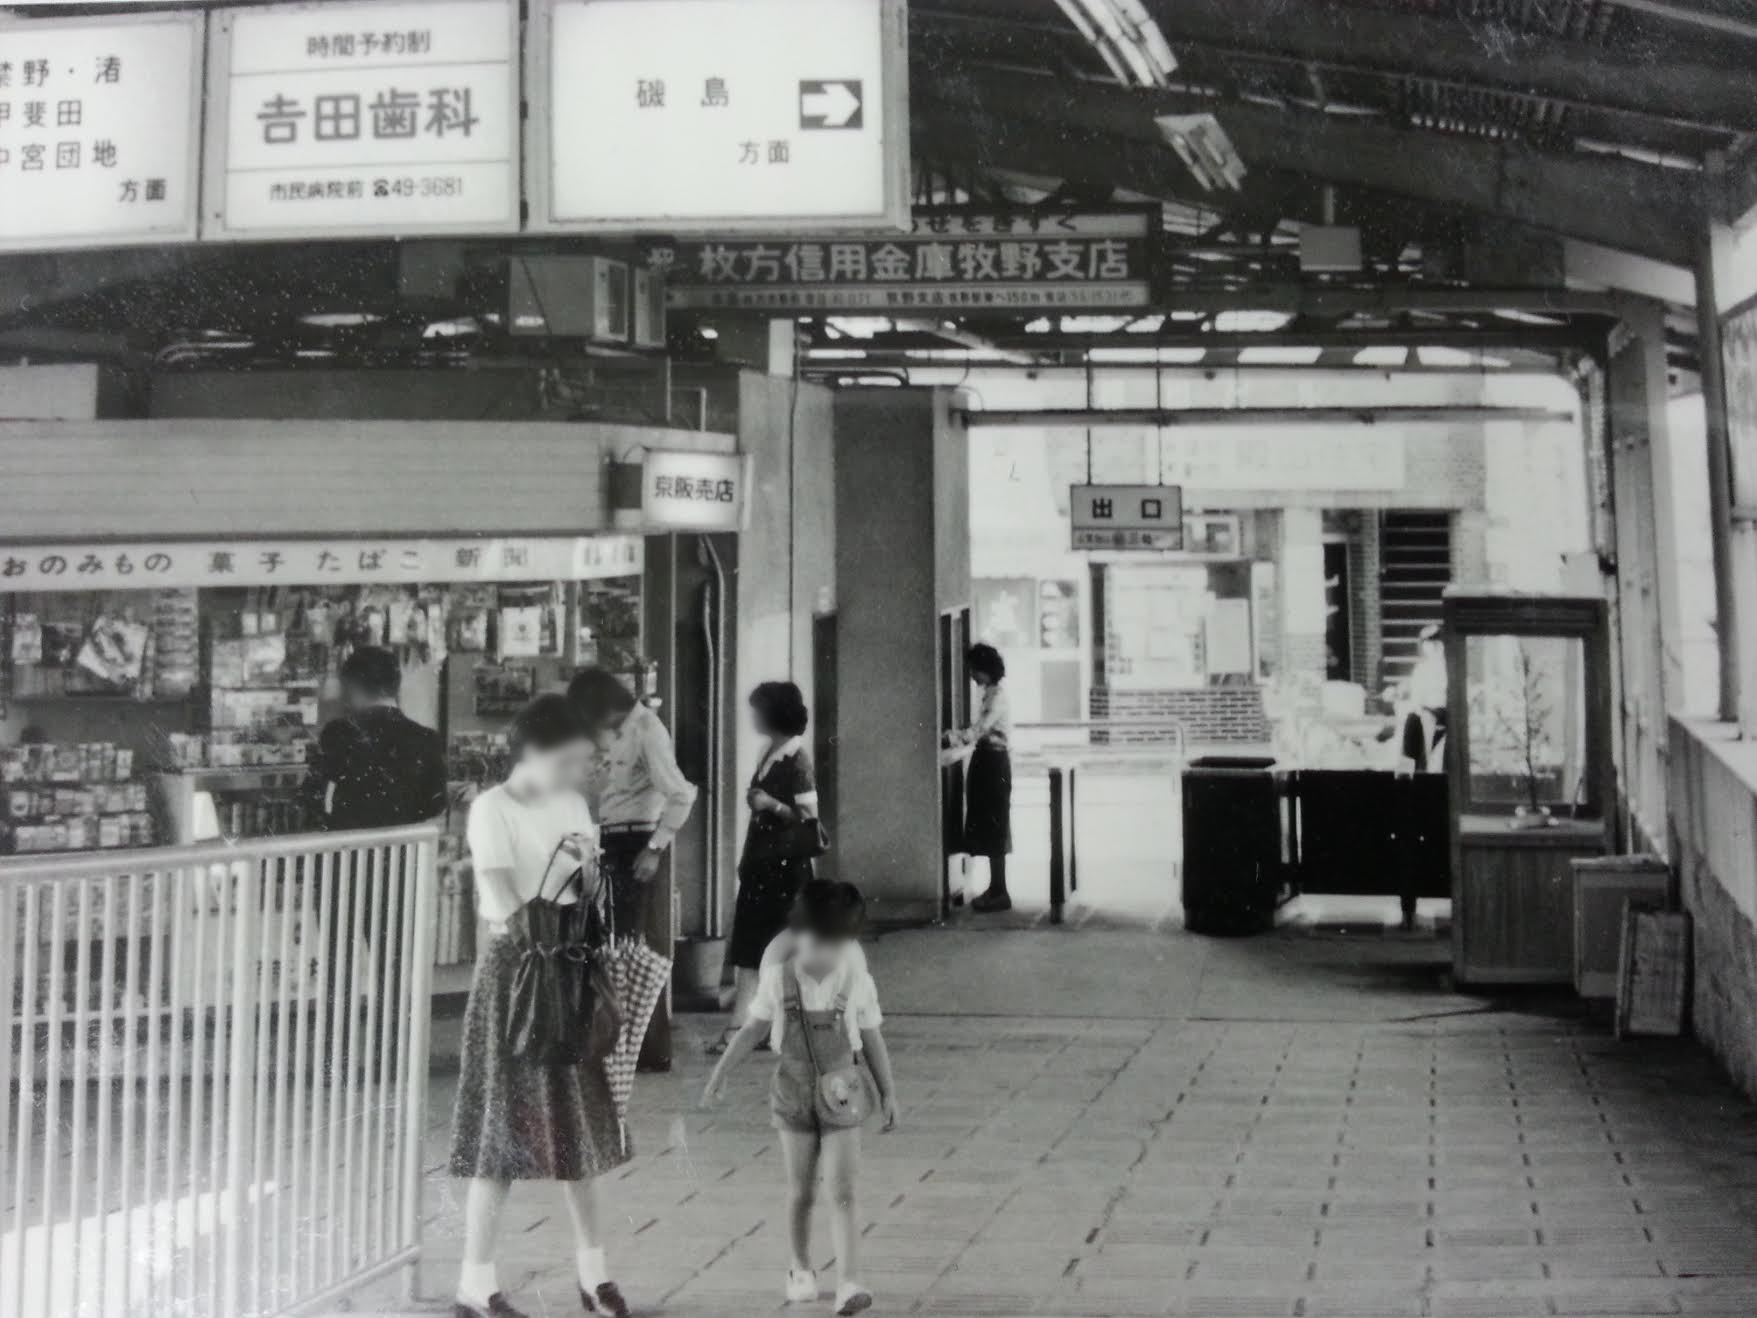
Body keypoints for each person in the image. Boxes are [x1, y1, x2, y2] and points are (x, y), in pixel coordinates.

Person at [448, 695, 632, 1318]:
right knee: (498, 1130)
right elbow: (504, 899)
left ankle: (595, 1275)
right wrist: (565, 893)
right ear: (535, 752)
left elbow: (587, 892)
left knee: (578, 1127)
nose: (581, 772)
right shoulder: (491, 809)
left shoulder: (574, 805)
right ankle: (476, 1282)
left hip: (569, 966)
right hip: (517, 974)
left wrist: (585, 887)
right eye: (572, 760)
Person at [701, 879, 897, 1317]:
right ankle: (800, 1267)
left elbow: (871, 1036)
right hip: (792, 1092)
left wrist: (888, 1092)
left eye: (835, 943)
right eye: (815, 939)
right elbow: (751, 1029)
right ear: (797, 933)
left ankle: (849, 1281)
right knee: (801, 1190)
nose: (822, 952)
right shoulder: (777, 979)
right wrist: (720, 1073)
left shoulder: (856, 980)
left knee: (843, 1190)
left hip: (843, 1093)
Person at [713, 681, 820, 1053]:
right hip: (762, 865)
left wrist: (770, 805)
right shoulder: (769, 753)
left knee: (769, 947)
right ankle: (753, 1026)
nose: (753, 718)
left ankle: (746, 1028)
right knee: (755, 947)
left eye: (758, 711)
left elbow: (809, 819)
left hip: (784, 869)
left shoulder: (796, 759)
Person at [566, 666, 697, 946]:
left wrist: (654, 849)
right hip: (614, 840)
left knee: (634, 939)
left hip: (638, 843)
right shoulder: (619, 731)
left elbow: (682, 795)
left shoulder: (647, 730)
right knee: (617, 934)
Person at [303, 645, 446, 832]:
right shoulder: (428, 739)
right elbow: (435, 807)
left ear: (353, 688)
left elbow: (312, 798)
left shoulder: (338, 732)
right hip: (407, 847)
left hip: (349, 846)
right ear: (396, 685)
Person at [948, 643, 1014, 913]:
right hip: (988, 761)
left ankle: (1000, 891)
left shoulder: (996, 697)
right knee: (989, 826)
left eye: (975, 669)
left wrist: (952, 737)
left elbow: (980, 729)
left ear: (986, 669)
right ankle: (995, 888)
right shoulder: (989, 694)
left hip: (993, 763)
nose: (972, 675)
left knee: (994, 825)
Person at [1392, 624, 1448, 932]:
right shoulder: (1416, 718)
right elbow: (1407, 757)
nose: (1434, 647)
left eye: (1437, 642)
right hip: (1419, 794)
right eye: (1429, 643)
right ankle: (1408, 912)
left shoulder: (1448, 722)